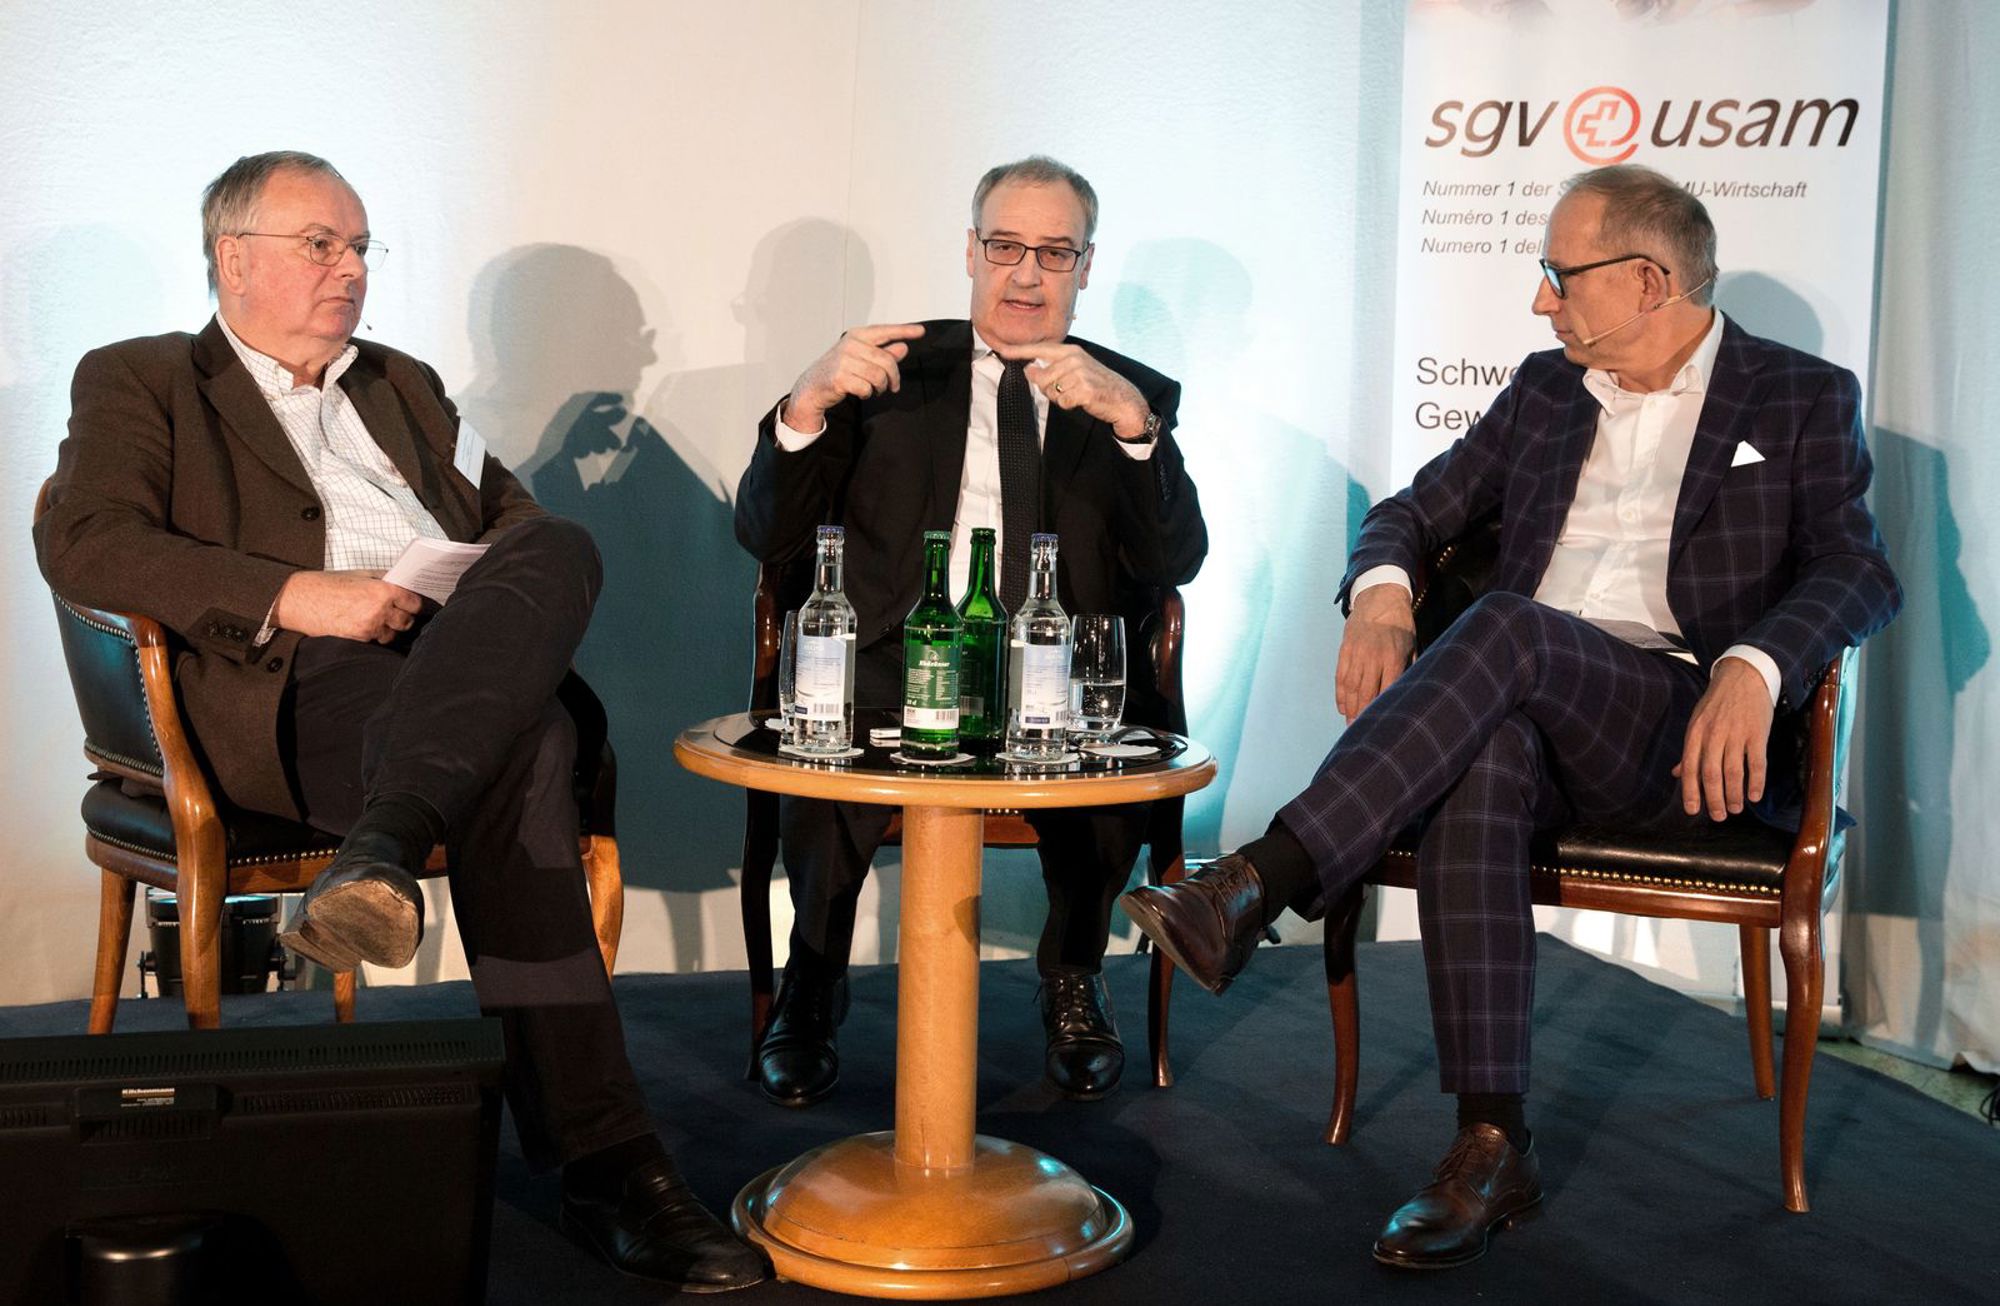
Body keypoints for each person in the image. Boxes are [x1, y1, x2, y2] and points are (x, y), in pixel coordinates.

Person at [1121, 164, 1900, 1269]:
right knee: (1485, 752)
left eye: (1558, 274)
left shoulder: (1798, 395)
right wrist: (1382, 593)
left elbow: (1858, 568)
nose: (1541, 301)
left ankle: (1259, 880)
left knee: (1506, 627)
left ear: (1647, 281)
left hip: (1675, 730)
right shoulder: (1545, 391)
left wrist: (1755, 662)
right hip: (1525, 709)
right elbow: (1410, 510)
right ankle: (1491, 1144)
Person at [33, 151, 765, 1292]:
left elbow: (510, 519)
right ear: (234, 259)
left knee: (559, 545)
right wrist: (297, 594)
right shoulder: (144, 378)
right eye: (320, 245)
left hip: (445, 661)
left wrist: (471, 583)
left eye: (361, 247)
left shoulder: (402, 384)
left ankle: (380, 849)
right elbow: (87, 541)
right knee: (531, 747)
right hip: (292, 685)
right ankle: (611, 1168)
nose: (351, 270)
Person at [734, 155, 1207, 1106]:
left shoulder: (1127, 392)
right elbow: (767, 537)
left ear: (1085, 266)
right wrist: (805, 406)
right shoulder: (887, 372)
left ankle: (1074, 976)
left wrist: (1132, 427)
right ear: (970, 252)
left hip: (1054, 676)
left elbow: (1175, 560)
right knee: (828, 740)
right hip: (894, 660)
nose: (1026, 274)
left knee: (1112, 754)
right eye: (1005, 247)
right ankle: (811, 985)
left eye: (1054, 252)